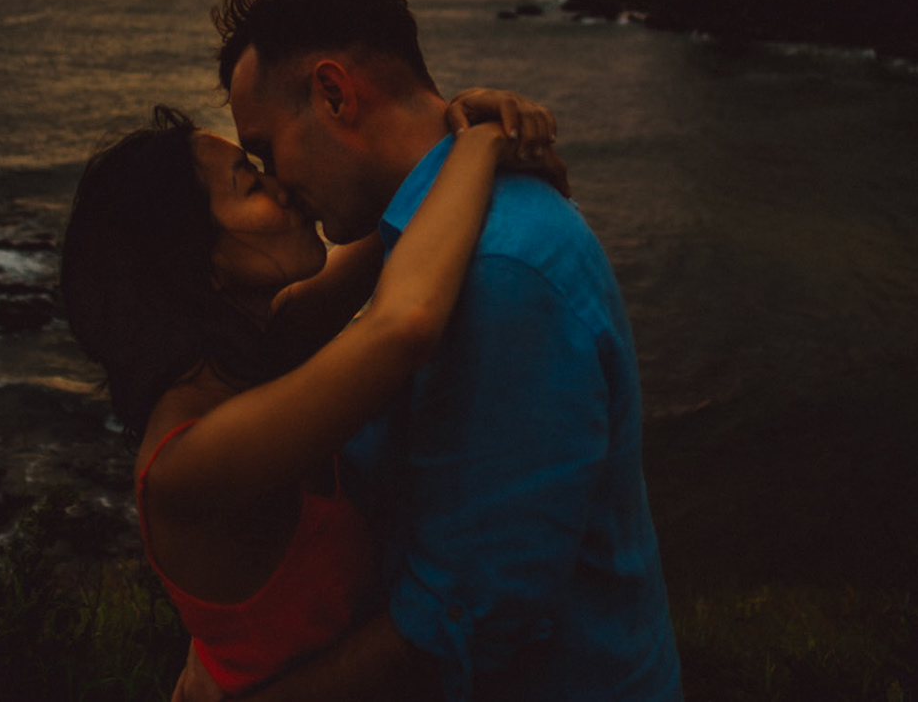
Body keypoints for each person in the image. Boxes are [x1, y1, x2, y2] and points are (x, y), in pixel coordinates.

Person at [190, 0, 682, 702]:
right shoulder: (420, 242)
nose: (276, 183)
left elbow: (462, 625)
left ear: (333, 92)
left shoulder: (500, 270)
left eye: (265, 150)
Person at [60, 91, 562, 696]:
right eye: (252, 185)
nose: (284, 189)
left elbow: (402, 224)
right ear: (197, 265)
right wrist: (481, 145)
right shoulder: (189, 462)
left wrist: (461, 120)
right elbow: (403, 325)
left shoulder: (261, 349)